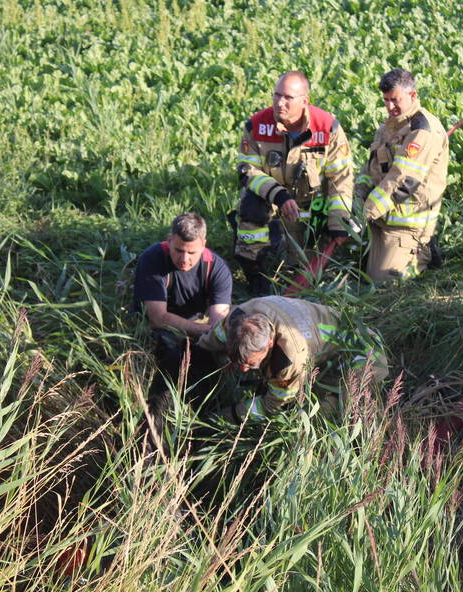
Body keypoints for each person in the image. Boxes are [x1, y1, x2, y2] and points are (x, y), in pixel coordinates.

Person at [234, 71, 355, 295]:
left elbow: (341, 179)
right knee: (251, 205)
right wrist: (279, 195)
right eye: (277, 95)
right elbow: (247, 171)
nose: (280, 103)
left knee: (298, 269)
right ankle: (255, 274)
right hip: (273, 203)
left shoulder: (327, 127)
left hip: (310, 210)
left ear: (304, 101)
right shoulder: (257, 125)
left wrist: (339, 223)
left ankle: (294, 256)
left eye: (288, 98)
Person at [197, 296, 387, 421]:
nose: (244, 369)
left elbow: (272, 405)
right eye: (239, 362)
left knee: (315, 416)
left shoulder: (288, 358)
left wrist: (225, 416)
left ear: (270, 343)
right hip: (325, 345)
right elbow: (208, 343)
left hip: (364, 352)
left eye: (251, 363)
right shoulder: (235, 321)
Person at [355, 68, 449, 285]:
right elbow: (368, 170)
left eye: (395, 100)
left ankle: (422, 252)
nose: (389, 107)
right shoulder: (387, 127)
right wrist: (356, 200)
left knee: (383, 283)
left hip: (406, 224)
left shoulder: (422, 130)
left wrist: (365, 213)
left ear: (413, 95)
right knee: (354, 262)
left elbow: (403, 181)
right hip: (380, 217)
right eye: (386, 100)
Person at [133, 212, 232, 366]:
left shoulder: (217, 268)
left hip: (197, 322)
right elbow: (157, 319)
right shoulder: (152, 259)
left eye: (192, 253)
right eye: (179, 250)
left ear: (203, 245)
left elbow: (218, 321)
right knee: (168, 349)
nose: (184, 259)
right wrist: (205, 331)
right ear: (169, 240)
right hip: (159, 327)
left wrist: (213, 336)